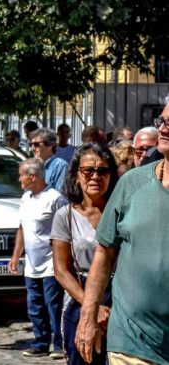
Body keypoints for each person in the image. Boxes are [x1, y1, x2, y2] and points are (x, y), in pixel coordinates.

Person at [76, 106, 169, 365]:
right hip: (133, 341)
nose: (162, 129)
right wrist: (88, 316)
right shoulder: (131, 184)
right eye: (162, 121)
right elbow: (104, 254)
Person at [51, 143, 118, 365]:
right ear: (77, 174)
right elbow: (61, 271)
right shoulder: (65, 216)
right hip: (79, 298)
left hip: (119, 300)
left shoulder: (121, 211)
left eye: (103, 171)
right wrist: (93, 306)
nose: (95, 177)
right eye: (88, 170)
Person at [8, 157, 67, 358]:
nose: (19, 180)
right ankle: (40, 341)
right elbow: (22, 228)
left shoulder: (55, 198)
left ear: (32, 177)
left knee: (54, 305)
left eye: (21, 176)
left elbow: (66, 229)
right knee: (35, 306)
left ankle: (59, 344)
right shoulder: (26, 198)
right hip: (32, 264)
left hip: (52, 264)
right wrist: (16, 256)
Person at [30, 128, 69, 193]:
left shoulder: (60, 166)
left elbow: (60, 197)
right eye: (31, 144)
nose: (32, 148)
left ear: (50, 145)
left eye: (36, 144)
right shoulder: (32, 166)